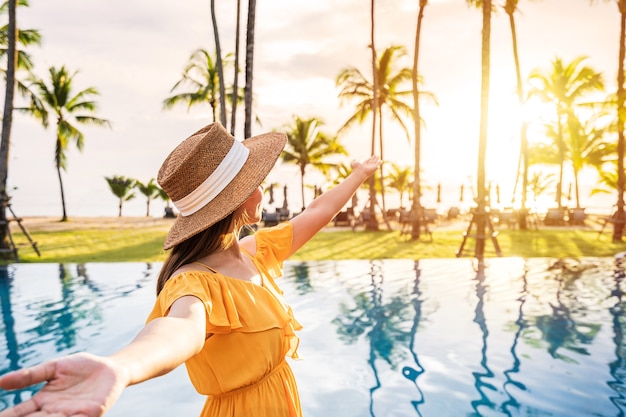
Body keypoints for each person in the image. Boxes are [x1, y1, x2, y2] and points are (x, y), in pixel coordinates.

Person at [0, 122, 381, 417]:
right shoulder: (193, 284)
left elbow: (317, 211)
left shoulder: (254, 253)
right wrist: (121, 367)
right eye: (256, 184)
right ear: (235, 202)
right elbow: (179, 330)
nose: (262, 191)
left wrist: (359, 174)